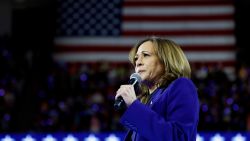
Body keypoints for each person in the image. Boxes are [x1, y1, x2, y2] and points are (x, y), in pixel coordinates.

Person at [115, 36, 199, 141]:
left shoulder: (181, 86)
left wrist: (134, 105)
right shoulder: (144, 102)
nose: (138, 62)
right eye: (136, 58)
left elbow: (178, 137)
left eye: (145, 55)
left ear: (166, 60)